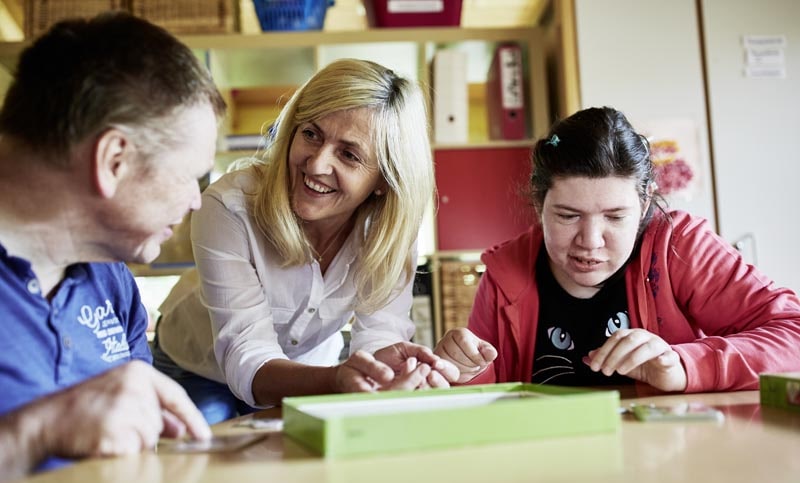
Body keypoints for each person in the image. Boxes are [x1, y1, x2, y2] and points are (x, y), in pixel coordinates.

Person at [154, 58, 458, 423]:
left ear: (384, 179)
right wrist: (336, 381)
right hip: (195, 364)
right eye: (311, 134)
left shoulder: (388, 231)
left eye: (349, 154)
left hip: (309, 371)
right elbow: (246, 353)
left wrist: (385, 373)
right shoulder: (229, 207)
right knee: (206, 442)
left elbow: (379, 333)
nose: (316, 165)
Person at [0, 12, 225, 481]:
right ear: (113, 159)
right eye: (190, 176)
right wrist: (36, 432)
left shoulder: (111, 279)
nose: (196, 200)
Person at [434, 106, 800, 393]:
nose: (590, 240)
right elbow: (489, 400)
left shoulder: (679, 245)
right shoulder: (505, 274)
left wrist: (685, 365)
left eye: (615, 217)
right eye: (568, 215)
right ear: (539, 204)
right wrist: (466, 371)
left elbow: (793, 334)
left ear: (644, 204)